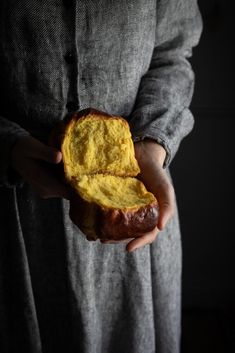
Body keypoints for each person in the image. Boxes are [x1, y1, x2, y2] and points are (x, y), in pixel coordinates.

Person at [0, 1, 202, 352]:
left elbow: (171, 53)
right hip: (16, 215)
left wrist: (153, 143)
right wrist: (7, 143)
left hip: (139, 190)